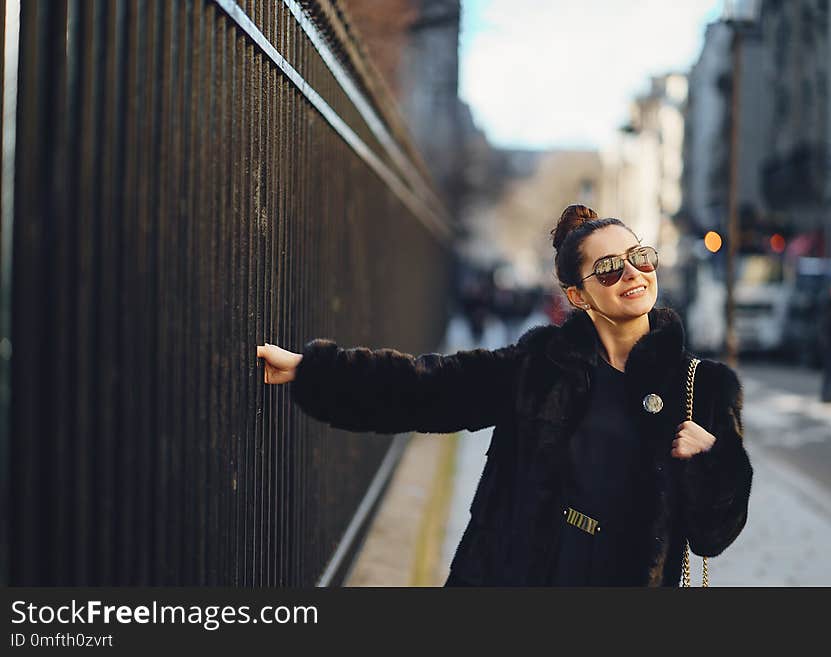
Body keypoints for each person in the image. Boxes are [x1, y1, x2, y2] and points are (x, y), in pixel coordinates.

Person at [256, 205, 754, 586]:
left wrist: (712, 461)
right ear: (577, 295)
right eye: (608, 267)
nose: (631, 274)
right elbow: (424, 388)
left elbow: (713, 535)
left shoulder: (702, 387)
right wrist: (312, 371)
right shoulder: (537, 368)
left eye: (640, 258)